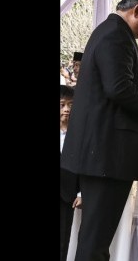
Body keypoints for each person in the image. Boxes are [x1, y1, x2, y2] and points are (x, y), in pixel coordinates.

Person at [60, 0, 138, 260]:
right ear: (136, 10)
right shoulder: (115, 36)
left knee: (95, 240)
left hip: (104, 157)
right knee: (95, 243)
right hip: (106, 156)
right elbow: (119, 88)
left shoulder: (112, 33)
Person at [60, 85, 81, 261]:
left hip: (67, 196)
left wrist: (82, 192)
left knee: (62, 243)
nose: (66, 109)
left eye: (70, 105)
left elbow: (85, 166)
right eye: (61, 105)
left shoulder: (80, 134)